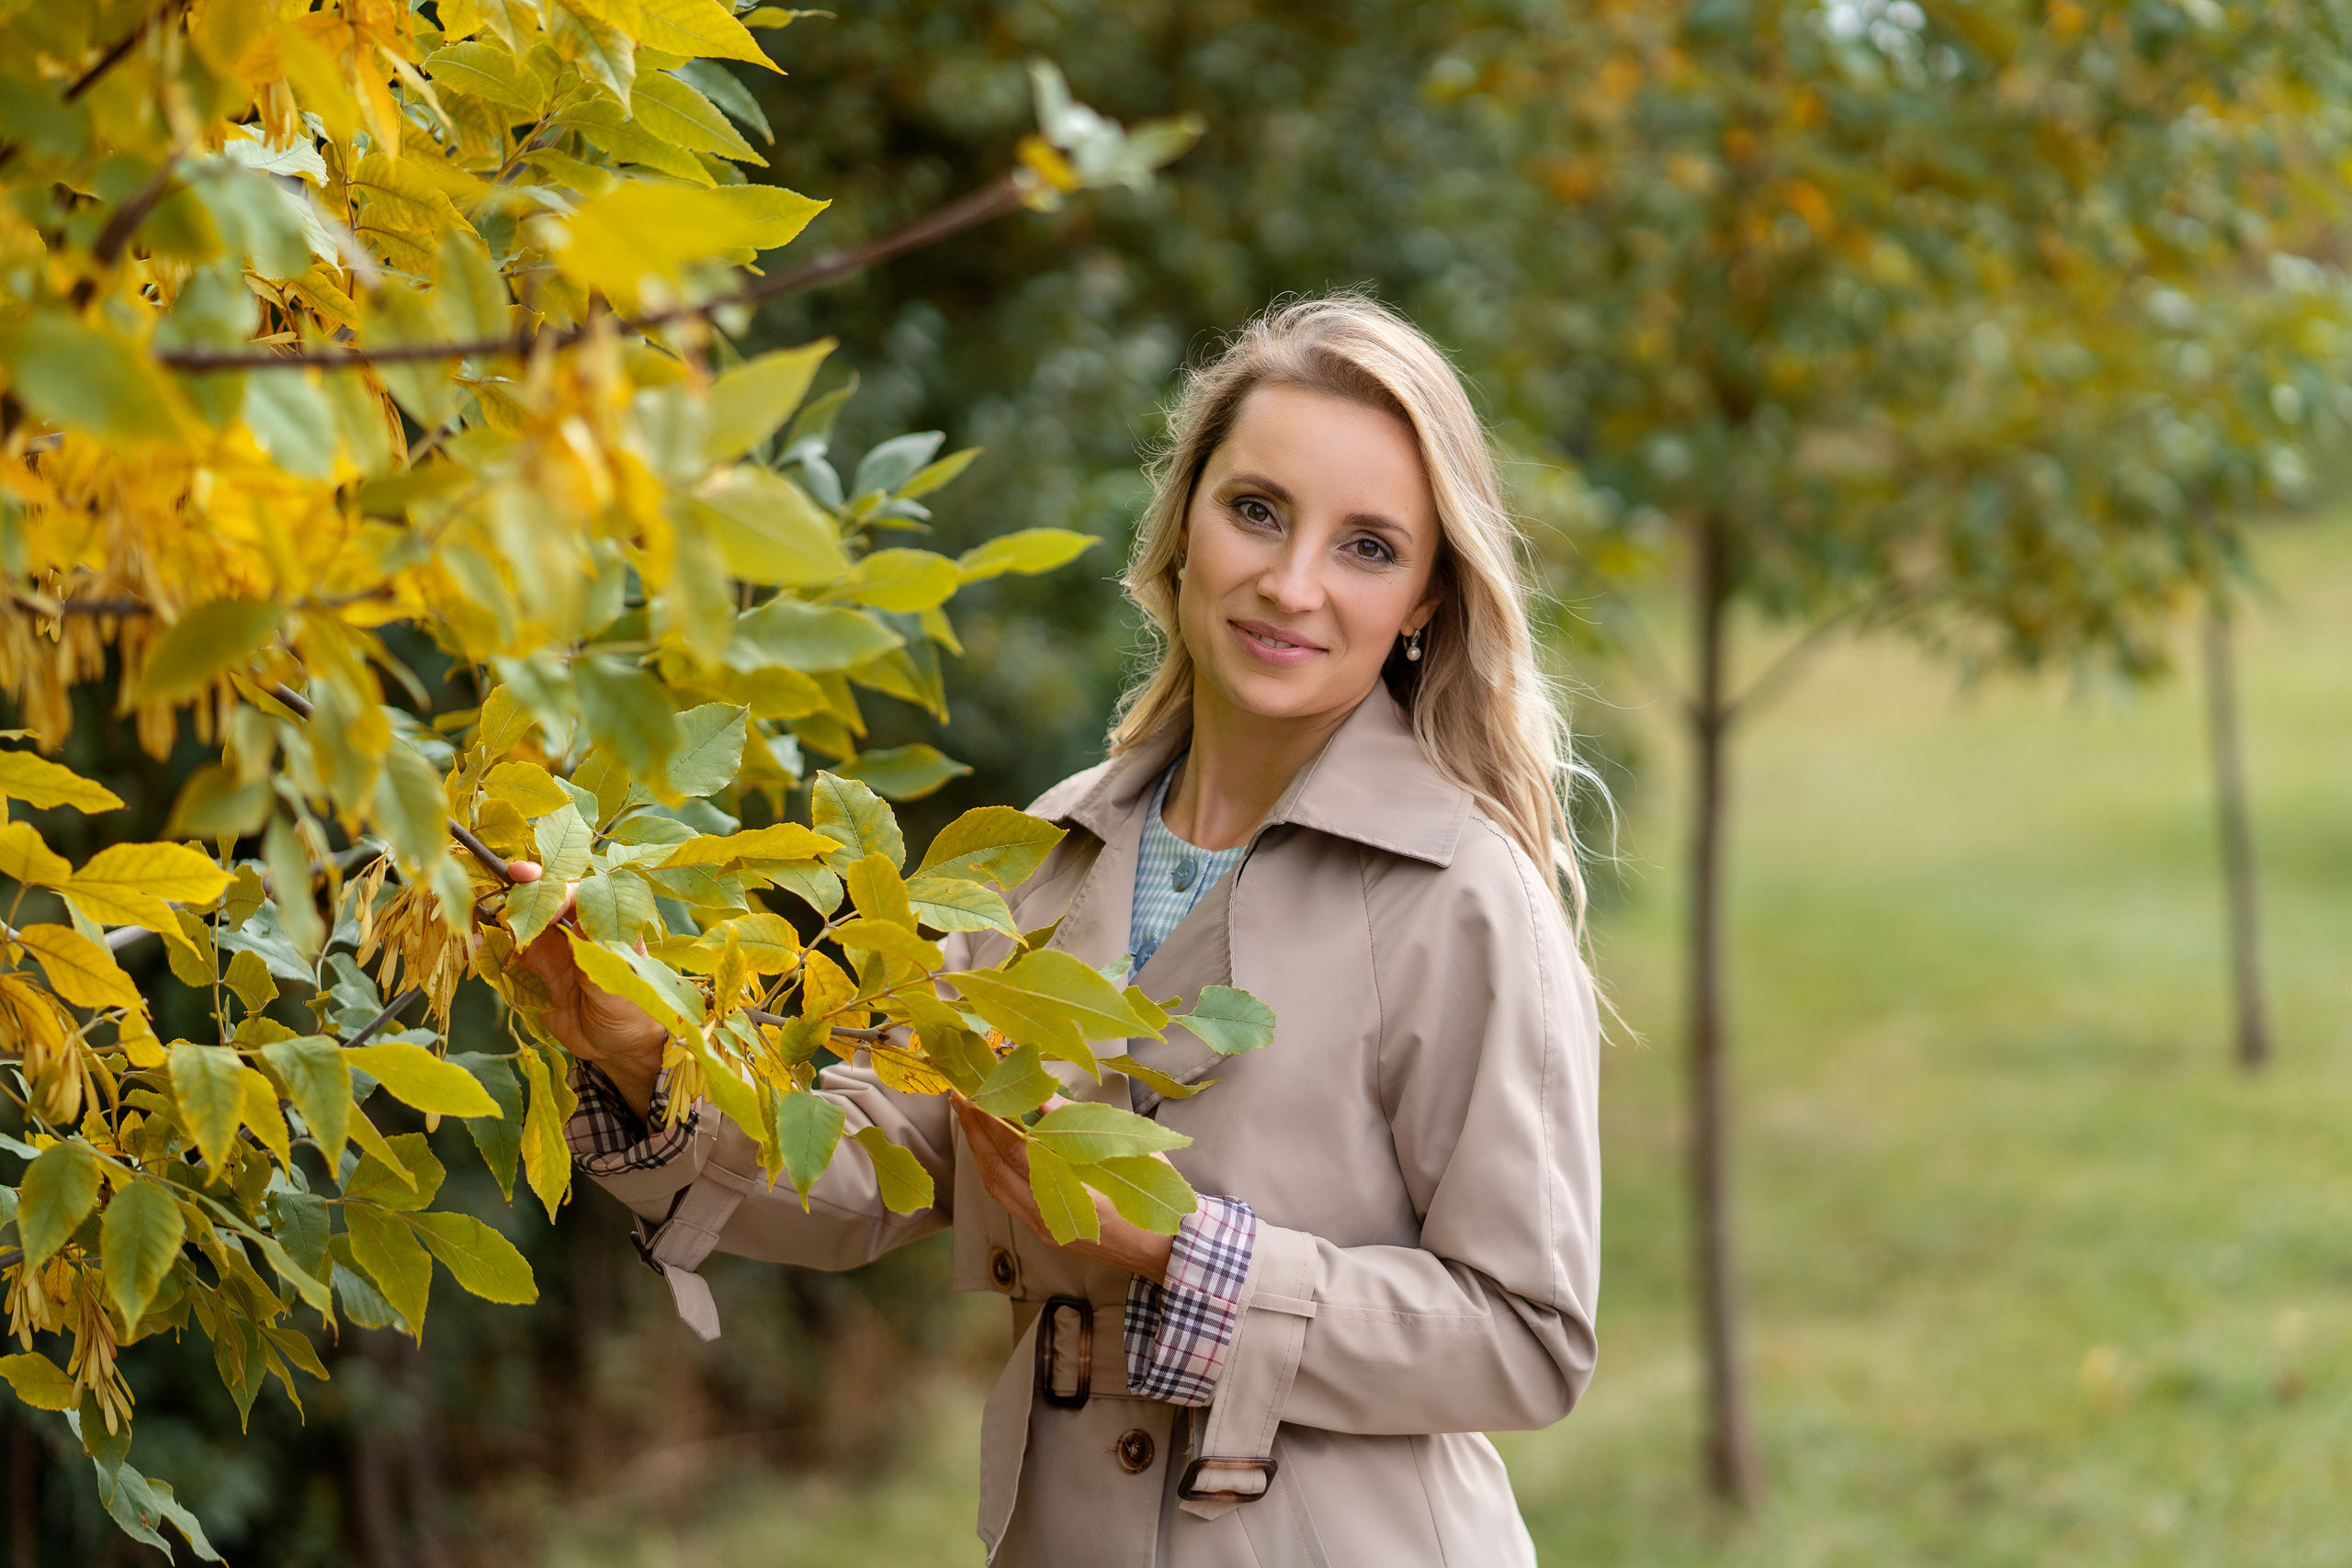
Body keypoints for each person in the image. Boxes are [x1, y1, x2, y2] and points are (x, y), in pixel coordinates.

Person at [511, 296, 1601, 1566]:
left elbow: (1527, 1336)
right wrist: (646, 1054)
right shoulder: (1049, 849)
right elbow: (873, 1162)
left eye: (1367, 547)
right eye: (1256, 510)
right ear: (1183, 526)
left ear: (1423, 598)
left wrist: (1185, 1256)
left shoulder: (1460, 892)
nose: (1292, 584)